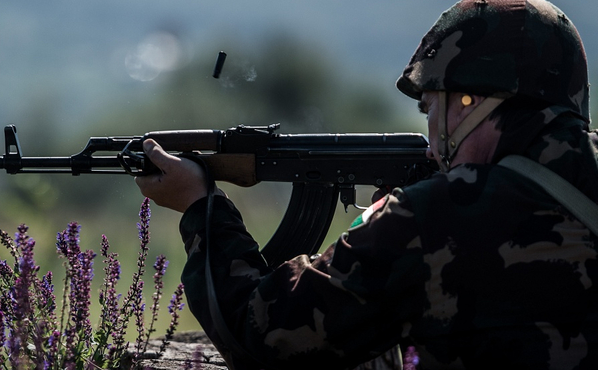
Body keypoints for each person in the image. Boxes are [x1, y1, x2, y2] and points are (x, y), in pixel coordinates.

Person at [135, 0, 598, 368]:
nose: (432, 134)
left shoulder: (432, 217)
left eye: (429, 107)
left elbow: (262, 336)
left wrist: (201, 207)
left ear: (468, 101)